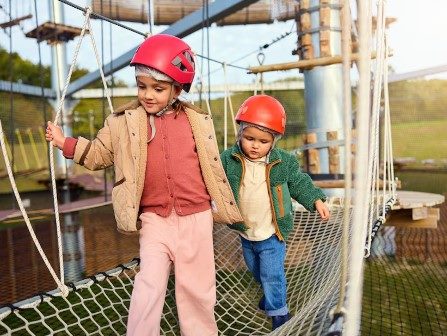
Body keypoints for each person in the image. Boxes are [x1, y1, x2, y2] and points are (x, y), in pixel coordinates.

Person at [46, 34, 242, 336]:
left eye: (158, 88)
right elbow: (99, 154)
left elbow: (210, 164)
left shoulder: (197, 120)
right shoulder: (122, 121)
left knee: (197, 288)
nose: (148, 95)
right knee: (148, 284)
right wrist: (65, 143)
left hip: (196, 217)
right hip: (154, 219)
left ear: (177, 89)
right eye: (142, 86)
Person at [220, 94, 330, 331]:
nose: (255, 145)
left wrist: (316, 200)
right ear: (240, 134)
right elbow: (212, 176)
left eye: (263, 141)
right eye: (249, 138)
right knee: (257, 272)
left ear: (274, 142)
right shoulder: (229, 160)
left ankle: (279, 313)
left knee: (272, 274)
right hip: (246, 232)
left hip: (272, 232)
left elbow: (300, 183)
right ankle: (271, 297)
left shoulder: (284, 163)